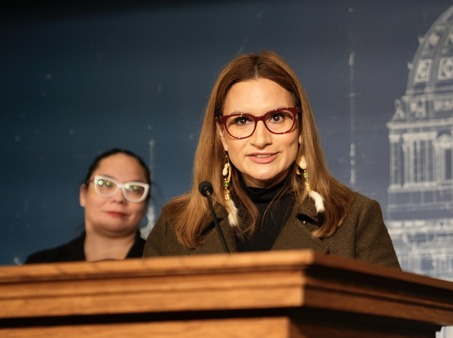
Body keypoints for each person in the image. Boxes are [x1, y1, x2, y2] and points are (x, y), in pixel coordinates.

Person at [144, 50, 400, 268]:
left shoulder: (355, 218)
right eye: (242, 121)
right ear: (222, 134)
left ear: (300, 127)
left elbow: (397, 322)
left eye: (277, 118)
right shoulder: (175, 224)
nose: (261, 139)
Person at [25, 148, 151, 263]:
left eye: (134, 188)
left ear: (145, 205)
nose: (118, 198)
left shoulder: (165, 264)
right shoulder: (41, 264)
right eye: (105, 184)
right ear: (83, 195)